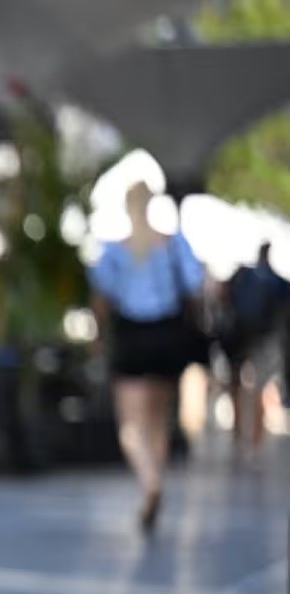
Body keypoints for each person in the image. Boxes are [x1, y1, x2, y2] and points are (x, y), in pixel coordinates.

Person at [87, 182, 207, 533]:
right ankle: (155, 480)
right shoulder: (172, 244)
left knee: (131, 424)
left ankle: (149, 480)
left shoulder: (114, 250)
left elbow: (101, 299)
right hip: (168, 334)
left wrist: (98, 337)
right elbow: (195, 287)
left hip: (132, 335)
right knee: (158, 420)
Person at [220, 240, 287, 462]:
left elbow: (223, 297)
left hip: (239, 336)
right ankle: (255, 441)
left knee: (236, 385)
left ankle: (239, 433)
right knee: (259, 386)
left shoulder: (242, 275)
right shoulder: (275, 280)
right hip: (264, 337)